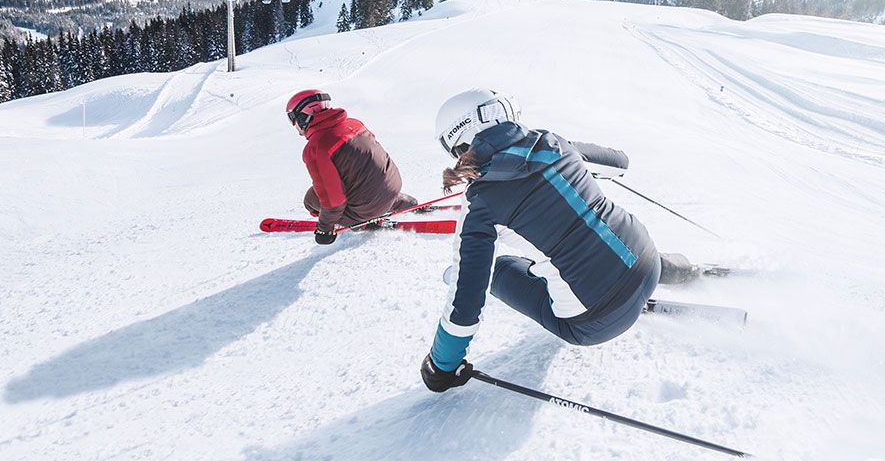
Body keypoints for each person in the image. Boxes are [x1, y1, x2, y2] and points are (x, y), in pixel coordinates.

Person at [419, 88, 702, 393]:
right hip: (648, 262)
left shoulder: (480, 203)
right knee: (597, 233)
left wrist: (441, 366)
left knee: (498, 270)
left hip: (593, 320)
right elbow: (620, 163)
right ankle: (680, 270)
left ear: (458, 142)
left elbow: (467, 298)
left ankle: (595, 286)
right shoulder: (553, 142)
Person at [288, 89, 419, 245]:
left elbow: (333, 201)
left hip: (367, 207)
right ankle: (394, 201)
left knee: (311, 199)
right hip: (392, 187)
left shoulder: (316, 148)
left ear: (303, 117)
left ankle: (359, 220)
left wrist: (325, 229)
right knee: (355, 171)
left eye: (292, 119)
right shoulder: (355, 124)